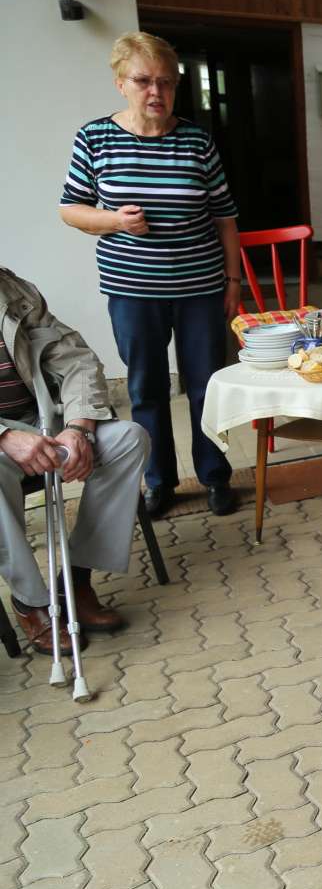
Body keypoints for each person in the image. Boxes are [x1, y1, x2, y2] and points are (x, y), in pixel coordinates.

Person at [59, 31, 240, 519]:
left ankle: (215, 476)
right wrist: (115, 220)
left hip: (200, 287)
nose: (155, 92)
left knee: (207, 384)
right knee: (147, 390)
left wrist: (232, 281)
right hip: (133, 290)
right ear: (121, 82)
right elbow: (71, 210)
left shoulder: (197, 140)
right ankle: (159, 481)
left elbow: (225, 217)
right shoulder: (95, 137)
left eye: (166, 82)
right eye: (143, 81)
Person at [1, 267, 149, 651]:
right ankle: (31, 602)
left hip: (42, 423)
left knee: (128, 439)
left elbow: (76, 359)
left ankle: (75, 583)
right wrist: (5, 438)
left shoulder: (9, 287)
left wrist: (78, 427)